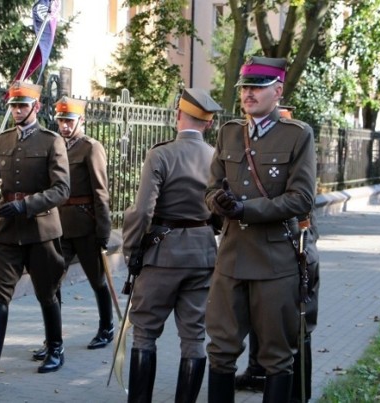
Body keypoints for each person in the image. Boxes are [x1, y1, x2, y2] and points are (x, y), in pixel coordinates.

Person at [204, 56, 317, 402]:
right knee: (221, 350)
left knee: (276, 357)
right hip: (232, 258)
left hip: (274, 261)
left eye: (258, 87)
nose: (249, 93)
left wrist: (246, 209)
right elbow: (211, 187)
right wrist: (216, 202)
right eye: (245, 87)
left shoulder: (297, 135)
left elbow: (302, 199)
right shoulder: (228, 133)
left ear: (278, 91)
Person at [122, 88, 222, 403]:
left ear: (177, 115)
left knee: (145, 333)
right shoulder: (217, 157)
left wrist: (132, 249)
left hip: (161, 255)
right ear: (207, 123)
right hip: (203, 254)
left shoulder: (161, 154)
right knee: (194, 337)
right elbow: (221, 209)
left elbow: (142, 211)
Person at [0, 81, 70, 382]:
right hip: (6, 231)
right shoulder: (2, 141)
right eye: (13, 105)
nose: (16, 110)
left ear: (36, 107)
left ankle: (55, 348)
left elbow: (62, 190)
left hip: (40, 228)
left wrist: (26, 205)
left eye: (22, 105)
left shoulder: (51, 141)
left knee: (46, 291)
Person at [234, 105, 321, 403]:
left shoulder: (299, 145)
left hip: (296, 246)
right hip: (265, 248)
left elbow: (301, 204)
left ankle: (299, 394)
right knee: (264, 320)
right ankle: (257, 369)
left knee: (298, 325)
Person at [32, 96, 113, 362]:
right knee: (51, 281)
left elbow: (101, 191)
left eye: (69, 121)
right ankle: (52, 339)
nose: (64, 126)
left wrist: (103, 229)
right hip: (58, 224)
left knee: (97, 279)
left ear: (81, 120)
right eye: (61, 121)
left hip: (85, 224)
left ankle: (106, 327)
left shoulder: (91, 148)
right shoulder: (53, 145)